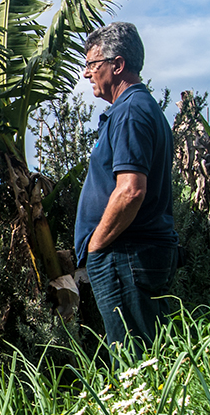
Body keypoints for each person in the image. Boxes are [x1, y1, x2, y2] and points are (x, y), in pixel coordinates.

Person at [74, 22, 179, 356]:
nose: (88, 74)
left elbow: (131, 190)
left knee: (135, 361)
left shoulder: (131, 111)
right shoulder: (138, 108)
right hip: (132, 256)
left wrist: (96, 245)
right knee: (148, 355)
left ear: (117, 65)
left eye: (92, 65)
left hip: (125, 256)